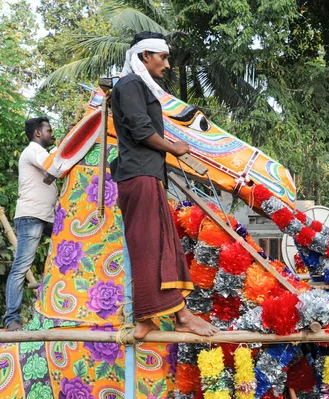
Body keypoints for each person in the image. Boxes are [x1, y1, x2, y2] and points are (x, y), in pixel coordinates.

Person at [111, 31, 218, 339]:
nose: (168, 64)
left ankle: (171, 317)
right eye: (164, 57)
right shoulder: (130, 84)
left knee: (160, 246)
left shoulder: (135, 84)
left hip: (146, 176)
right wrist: (174, 147)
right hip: (139, 177)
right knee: (149, 248)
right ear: (146, 56)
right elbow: (142, 130)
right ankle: (157, 317)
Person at [4, 117, 57, 331]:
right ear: (38, 133)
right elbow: (55, 165)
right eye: (49, 130)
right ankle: (11, 319)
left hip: (45, 216)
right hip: (32, 216)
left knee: (64, 255)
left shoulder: (38, 153)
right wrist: (67, 146)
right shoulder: (35, 150)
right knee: (21, 267)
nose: (52, 134)